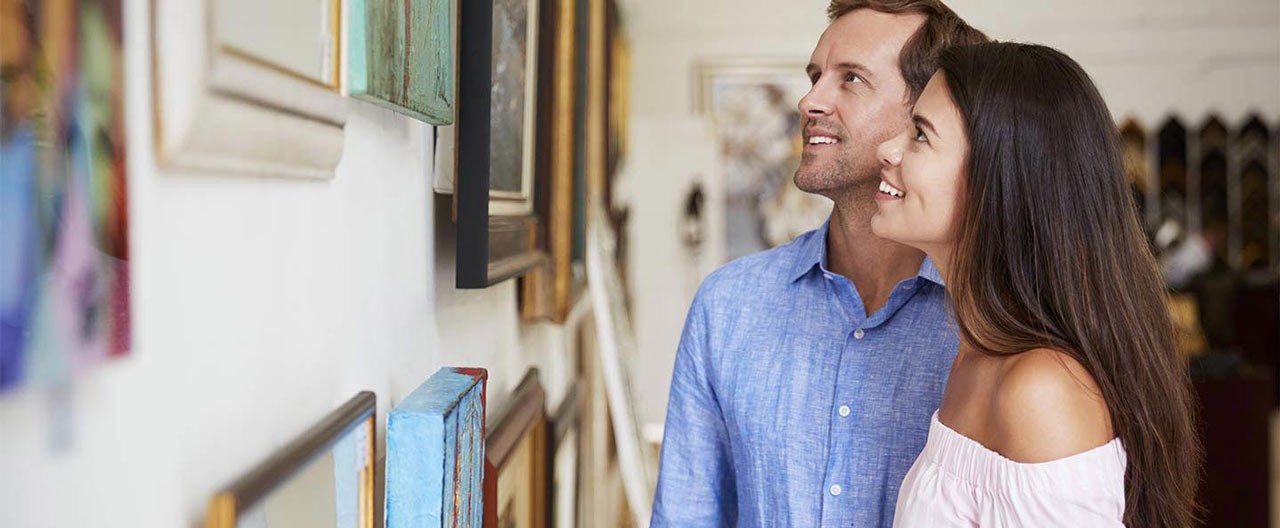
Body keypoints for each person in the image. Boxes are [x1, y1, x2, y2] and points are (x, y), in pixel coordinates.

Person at [651, 1, 987, 526]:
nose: (809, 100)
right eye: (814, 76)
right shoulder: (728, 306)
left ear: (930, 112)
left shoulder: (993, 325)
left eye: (851, 79)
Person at [873, 43, 1201, 527]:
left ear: (998, 179)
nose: (888, 148)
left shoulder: (1040, 391)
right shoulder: (977, 353)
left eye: (921, 134)